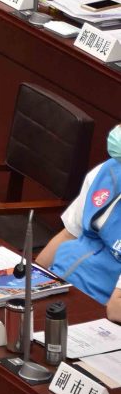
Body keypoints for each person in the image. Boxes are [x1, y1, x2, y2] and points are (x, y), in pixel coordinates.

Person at [37, 127, 121, 321]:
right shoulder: (107, 171)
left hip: (94, 308)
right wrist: (30, 279)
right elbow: (68, 234)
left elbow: (115, 309)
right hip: (57, 284)